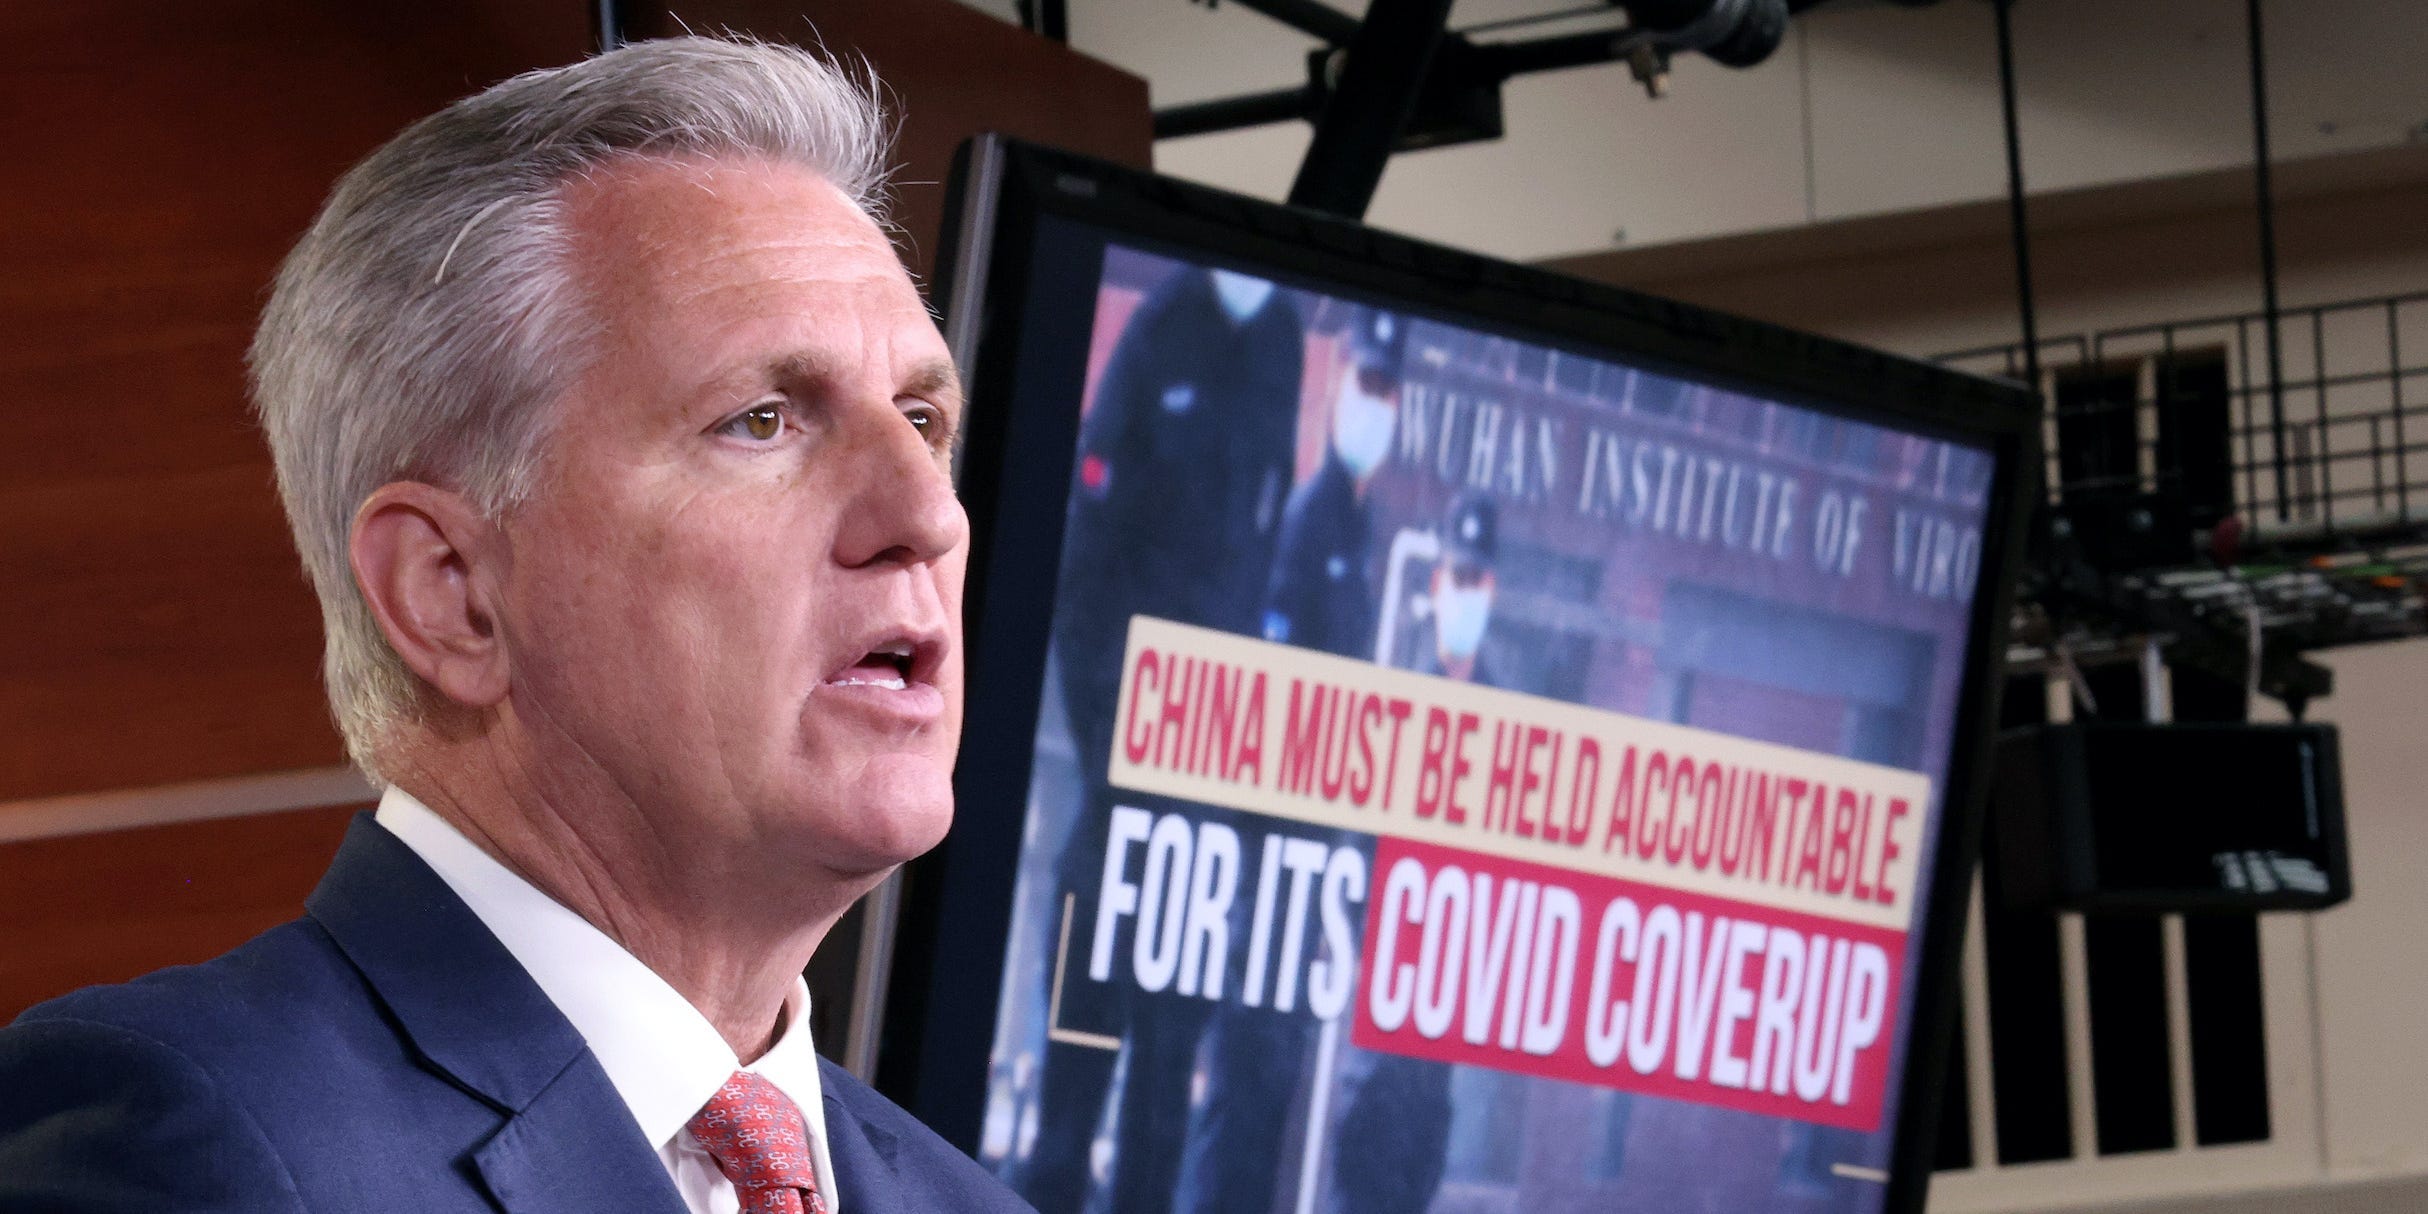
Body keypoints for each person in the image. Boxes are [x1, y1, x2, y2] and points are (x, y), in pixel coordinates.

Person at [0, 37, 1031, 1214]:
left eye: (920, 416)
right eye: (760, 420)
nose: (924, 515)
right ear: (452, 590)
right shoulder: (191, 1142)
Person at [1019, 262, 1302, 1214]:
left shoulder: (1282, 341)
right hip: (1123, 769)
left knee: (1162, 1098)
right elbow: (1085, 566)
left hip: (1207, 801)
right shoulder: (1161, 332)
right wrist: (1112, 745)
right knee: (1078, 1064)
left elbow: (1260, 567)